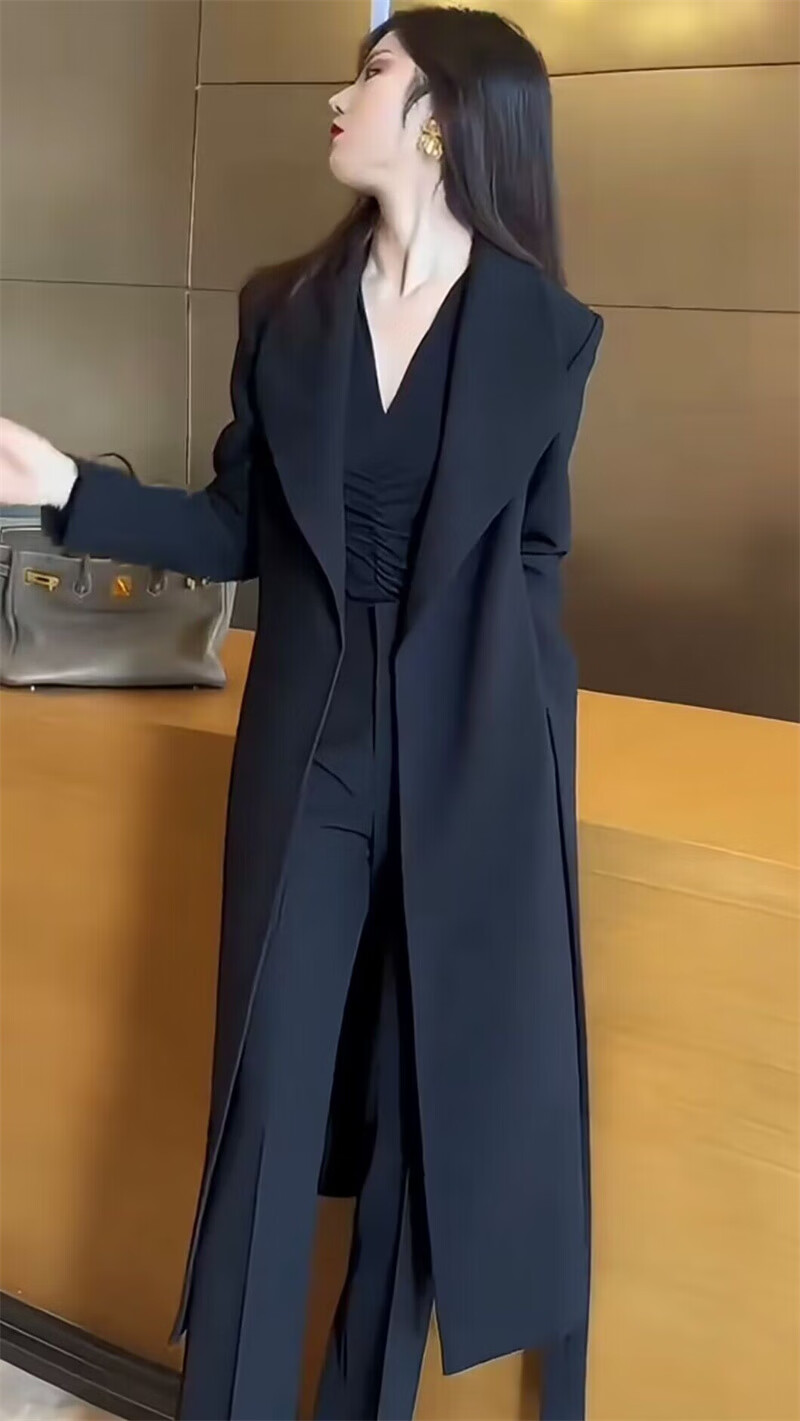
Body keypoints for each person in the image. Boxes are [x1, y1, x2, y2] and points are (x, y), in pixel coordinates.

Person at [0, 6, 604, 1418]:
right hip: (311, 742)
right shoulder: (285, 311)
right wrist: (67, 490)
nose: (340, 97)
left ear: (444, 120)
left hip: (476, 757)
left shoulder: (547, 333)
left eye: (373, 75)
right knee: (268, 1105)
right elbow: (236, 529)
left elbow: (537, 560)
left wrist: (526, 742)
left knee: (420, 1127)